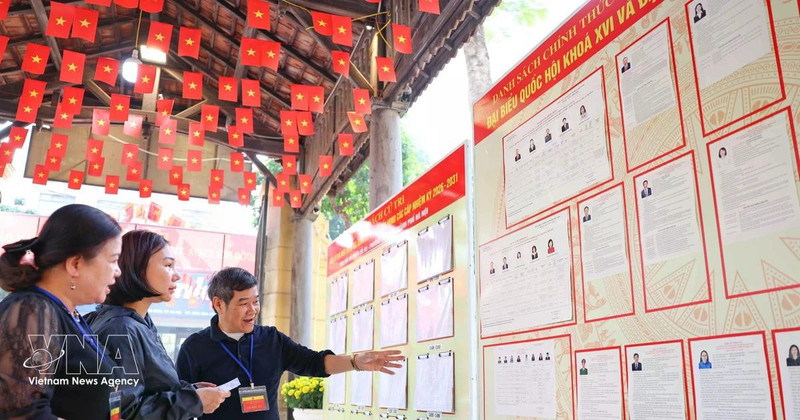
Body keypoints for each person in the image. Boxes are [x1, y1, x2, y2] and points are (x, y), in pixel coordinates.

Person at [176, 267, 403, 419]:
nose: (253, 310)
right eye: (243, 303)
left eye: (256, 301)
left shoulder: (272, 339)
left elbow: (314, 362)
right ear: (218, 304)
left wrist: (355, 362)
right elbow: (178, 404)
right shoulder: (194, 349)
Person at [0, 204, 127, 418]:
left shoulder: (63, 312)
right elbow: (21, 412)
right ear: (75, 264)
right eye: (113, 260)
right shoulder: (33, 310)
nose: (118, 271)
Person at [88, 230, 231, 418]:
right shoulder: (121, 329)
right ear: (138, 269)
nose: (176, 276)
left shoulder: (138, 321)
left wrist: (190, 392)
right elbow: (122, 413)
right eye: (168, 265)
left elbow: (148, 389)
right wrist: (193, 401)